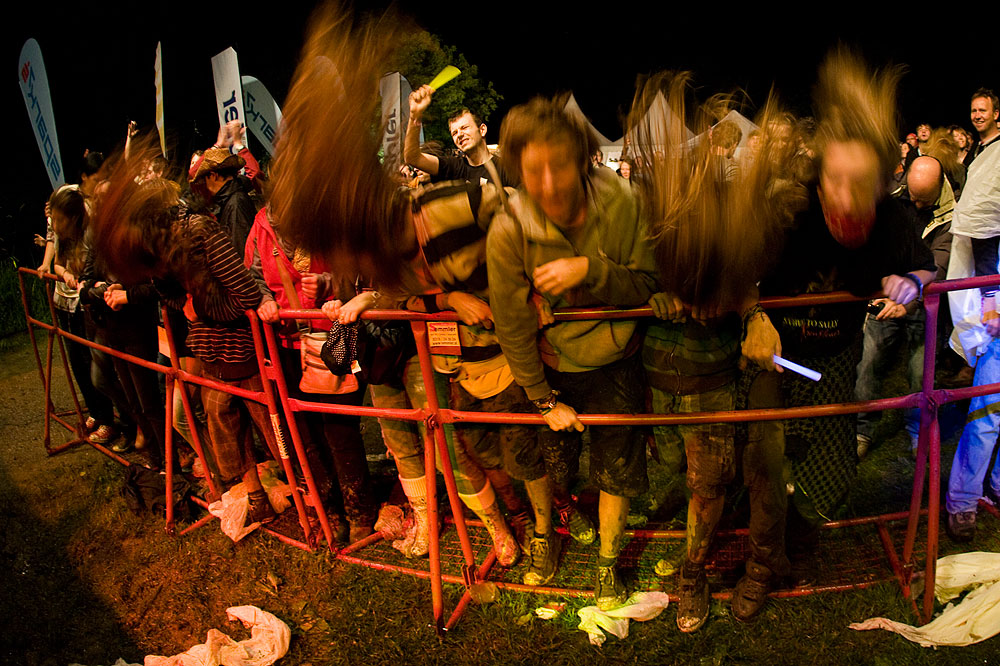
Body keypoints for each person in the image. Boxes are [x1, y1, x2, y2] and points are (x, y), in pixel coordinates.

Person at [741, 52, 936, 623]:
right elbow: (737, 274)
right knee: (766, 467)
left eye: (862, 185)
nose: (847, 200)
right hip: (777, 358)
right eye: (835, 182)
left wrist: (911, 281)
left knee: (831, 468)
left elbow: (926, 270)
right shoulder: (789, 212)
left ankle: (800, 537)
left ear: (884, 184)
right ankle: (759, 565)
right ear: (818, 179)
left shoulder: (896, 222)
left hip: (837, 359)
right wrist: (753, 316)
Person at [486, 96, 659, 610]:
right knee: (536, 458)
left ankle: (607, 561)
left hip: (614, 360)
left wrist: (592, 270)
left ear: (582, 159)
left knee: (617, 467)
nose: (547, 183)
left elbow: (648, 283)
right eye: (532, 169)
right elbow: (513, 326)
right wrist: (542, 400)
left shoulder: (624, 202)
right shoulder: (508, 228)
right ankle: (546, 534)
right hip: (550, 363)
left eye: (558, 165)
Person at [92, 149, 281, 529]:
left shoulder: (199, 230)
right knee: (233, 426)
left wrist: (207, 309)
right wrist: (192, 307)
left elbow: (239, 285)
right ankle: (269, 495)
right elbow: (167, 289)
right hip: (214, 346)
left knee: (268, 423)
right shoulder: (167, 242)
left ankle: (308, 493)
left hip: (237, 345)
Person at [855, 156, 954, 458]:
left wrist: (909, 303)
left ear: (939, 188)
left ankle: (918, 430)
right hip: (886, 297)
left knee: (920, 372)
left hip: (925, 305)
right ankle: (862, 428)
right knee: (867, 361)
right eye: (912, 195)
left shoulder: (954, 216)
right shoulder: (893, 198)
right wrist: (879, 283)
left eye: (923, 200)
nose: (916, 202)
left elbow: (939, 266)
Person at [943, 88, 1000, 542]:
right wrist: (989, 302)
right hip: (999, 301)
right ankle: (962, 499)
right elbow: (977, 226)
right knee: (988, 409)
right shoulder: (993, 158)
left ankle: (997, 485)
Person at [404, 86, 511, 186]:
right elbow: (412, 158)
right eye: (454, 133)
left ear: (482, 130)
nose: (459, 134)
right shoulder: (453, 168)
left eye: (464, 127)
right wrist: (415, 115)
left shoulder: (506, 169)